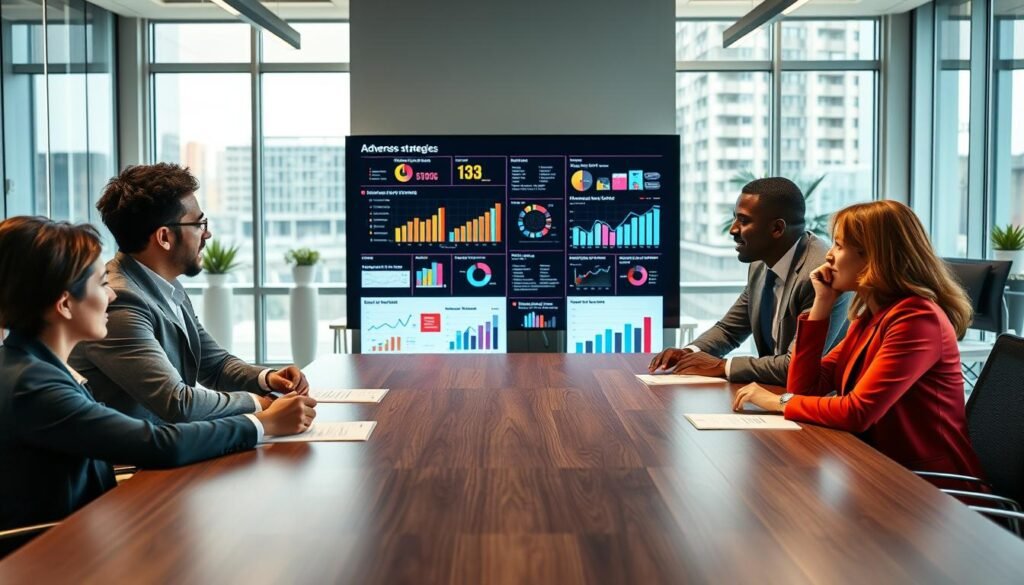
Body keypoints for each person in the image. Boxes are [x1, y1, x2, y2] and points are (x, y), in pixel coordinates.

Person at [0, 216, 317, 531]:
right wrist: (263, 423)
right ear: (65, 305)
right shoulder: (33, 385)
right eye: (100, 283)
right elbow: (158, 444)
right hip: (51, 554)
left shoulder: (31, 366)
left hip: (81, 532)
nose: (111, 295)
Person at [733, 200, 984, 480]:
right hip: (877, 469)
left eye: (839, 246)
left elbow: (857, 412)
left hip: (929, 487)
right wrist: (822, 304)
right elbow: (805, 388)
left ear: (873, 257)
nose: (828, 256)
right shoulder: (869, 318)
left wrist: (778, 401)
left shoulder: (916, 319)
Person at [69, 163, 310, 424]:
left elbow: (214, 365)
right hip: (135, 463)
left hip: (171, 451)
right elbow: (177, 401)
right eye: (199, 223)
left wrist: (267, 378)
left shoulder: (167, 286)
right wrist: (261, 405)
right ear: (164, 237)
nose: (207, 233)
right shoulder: (120, 302)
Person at [649, 177, 849, 385]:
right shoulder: (761, 265)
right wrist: (687, 353)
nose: (733, 229)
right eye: (735, 218)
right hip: (774, 394)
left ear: (777, 229)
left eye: (744, 221)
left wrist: (722, 366)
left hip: (818, 402)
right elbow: (729, 330)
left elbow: (795, 365)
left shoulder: (820, 275)